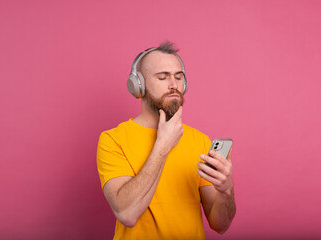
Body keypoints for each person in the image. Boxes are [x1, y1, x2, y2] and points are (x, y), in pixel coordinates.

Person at [96, 41, 236, 240]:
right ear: (138, 85)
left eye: (178, 77)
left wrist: (226, 190)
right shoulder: (113, 140)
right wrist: (163, 145)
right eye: (163, 77)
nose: (174, 85)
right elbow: (126, 213)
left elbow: (220, 225)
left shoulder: (200, 141)